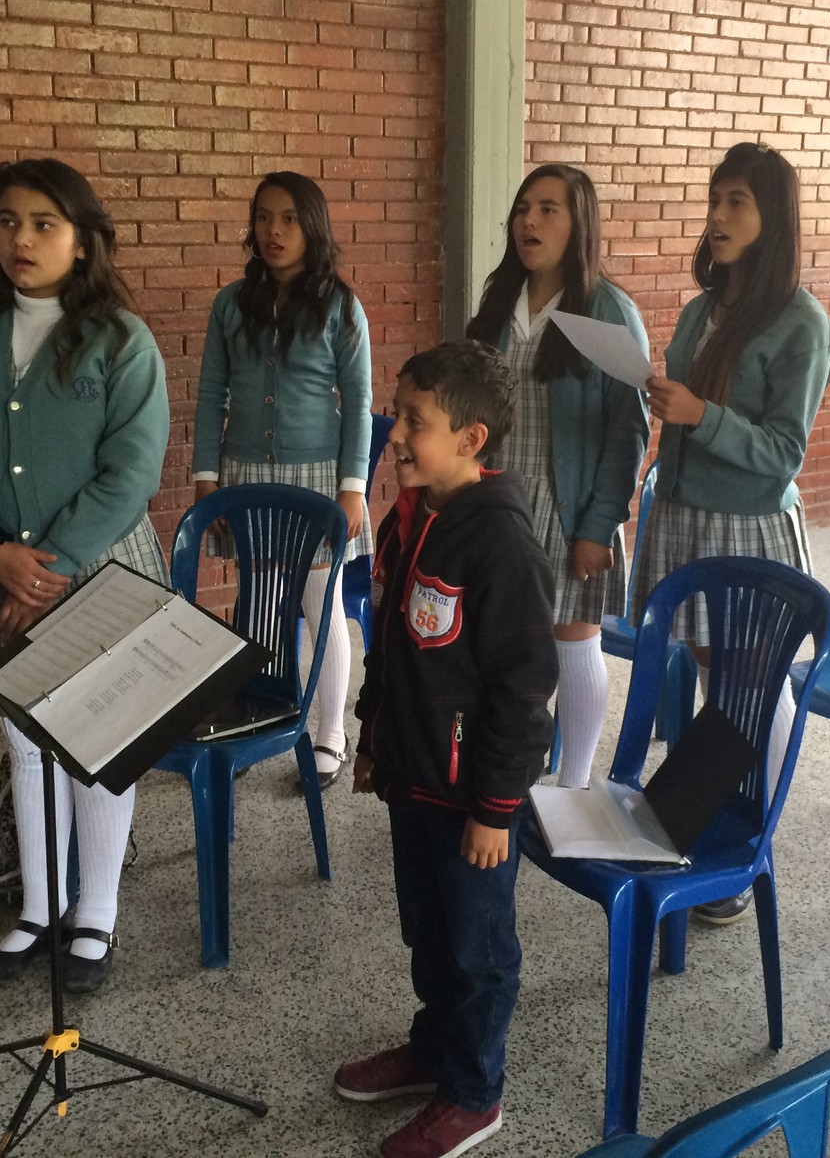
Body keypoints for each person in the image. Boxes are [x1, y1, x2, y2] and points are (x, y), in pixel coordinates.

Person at [0, 158, 171, 994]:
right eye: (7, 221)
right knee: (26, 743)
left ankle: (95, 914)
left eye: (45, 223)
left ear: (84, 239)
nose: (22, 238)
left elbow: (131, 471)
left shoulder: (123, 341)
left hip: (97, 573)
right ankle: (39, 906)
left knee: (101, 745)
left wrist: (41, 570)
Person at [335, 341, 557, 1158]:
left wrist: (498, 809)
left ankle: (473, 1090)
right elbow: (390, 643)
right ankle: (433, 1049)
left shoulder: (500, 544)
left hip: (474, 801)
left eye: (414, 422)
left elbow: (525, 690)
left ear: (471, 437)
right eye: (396, 415)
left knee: (477, 949)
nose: (394, 433)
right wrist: (373, 734)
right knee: (427, 930)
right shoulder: (413, 516)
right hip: (414, 777)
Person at [634, 141, 830, 923]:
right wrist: (669, 405)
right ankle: (708, 826)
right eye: (715, 200)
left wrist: (699, 414)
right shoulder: (701, 308)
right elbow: (698, 411)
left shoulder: (802, 324)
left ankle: (750, 845)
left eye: (737, 204)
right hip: (687, 511)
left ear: (773, 218)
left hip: (748, 525)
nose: (717, 218)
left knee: (753, 686)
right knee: (722, 679)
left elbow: (784, 451)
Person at [465, 164, 648, 790]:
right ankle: (507, 765)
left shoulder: (606, 311)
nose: (530, 221)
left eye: (549, 210)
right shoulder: (497, 305)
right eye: (523, 208)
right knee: (501, 641)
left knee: (573, 641)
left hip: (570, 509)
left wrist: (599, 526)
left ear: (580, 225)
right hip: (498, 504)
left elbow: (629, 431)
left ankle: (571, 783)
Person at [192, 171, 373, 789]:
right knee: (261, 601)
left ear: (313, 226)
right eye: (264, 217)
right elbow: (211, 390)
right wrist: (206, 477)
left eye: (289, 218)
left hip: (318, 478)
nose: (273, 230)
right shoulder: (229, 304)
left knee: (321, 605)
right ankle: (257, 713)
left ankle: (329, 733)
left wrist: (352, 486)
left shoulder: (342, 307)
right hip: (244, 474)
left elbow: (359, 396)